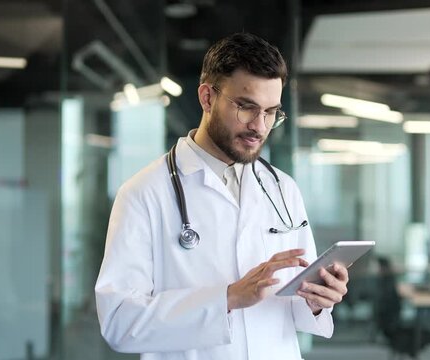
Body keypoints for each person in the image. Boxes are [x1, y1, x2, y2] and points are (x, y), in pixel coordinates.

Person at [95, 32, 350, 360]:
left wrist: (317, 300)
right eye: (246, 108)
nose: (259, 126)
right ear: (207, 98)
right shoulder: (143, 194)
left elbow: (292, 308)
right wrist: (227, 298)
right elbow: (119, 323)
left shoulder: (282, 189)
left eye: (271, 112)